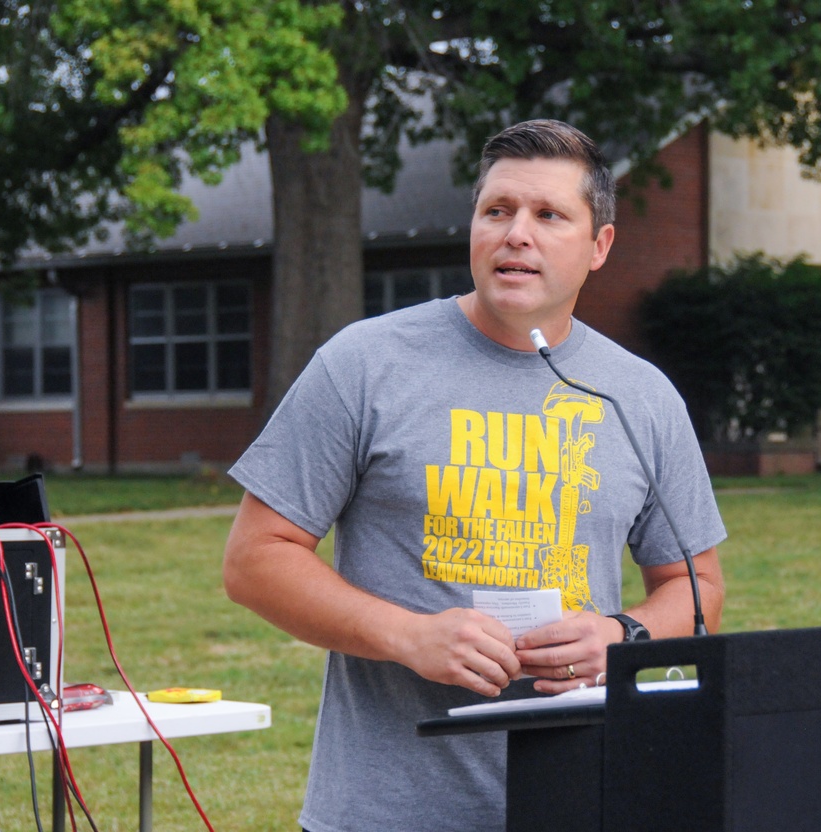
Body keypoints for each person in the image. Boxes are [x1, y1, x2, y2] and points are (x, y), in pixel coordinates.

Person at [223, 119, 726, 832]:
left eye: (549, 215)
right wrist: (409, 636)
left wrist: (622, 635)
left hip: (584, 800)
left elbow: (696, 586)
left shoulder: (641, 396)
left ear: (599, 246)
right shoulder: (364, 364)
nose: (517, 233)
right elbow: (253, 561)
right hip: (385, 811)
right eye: (498, 211)